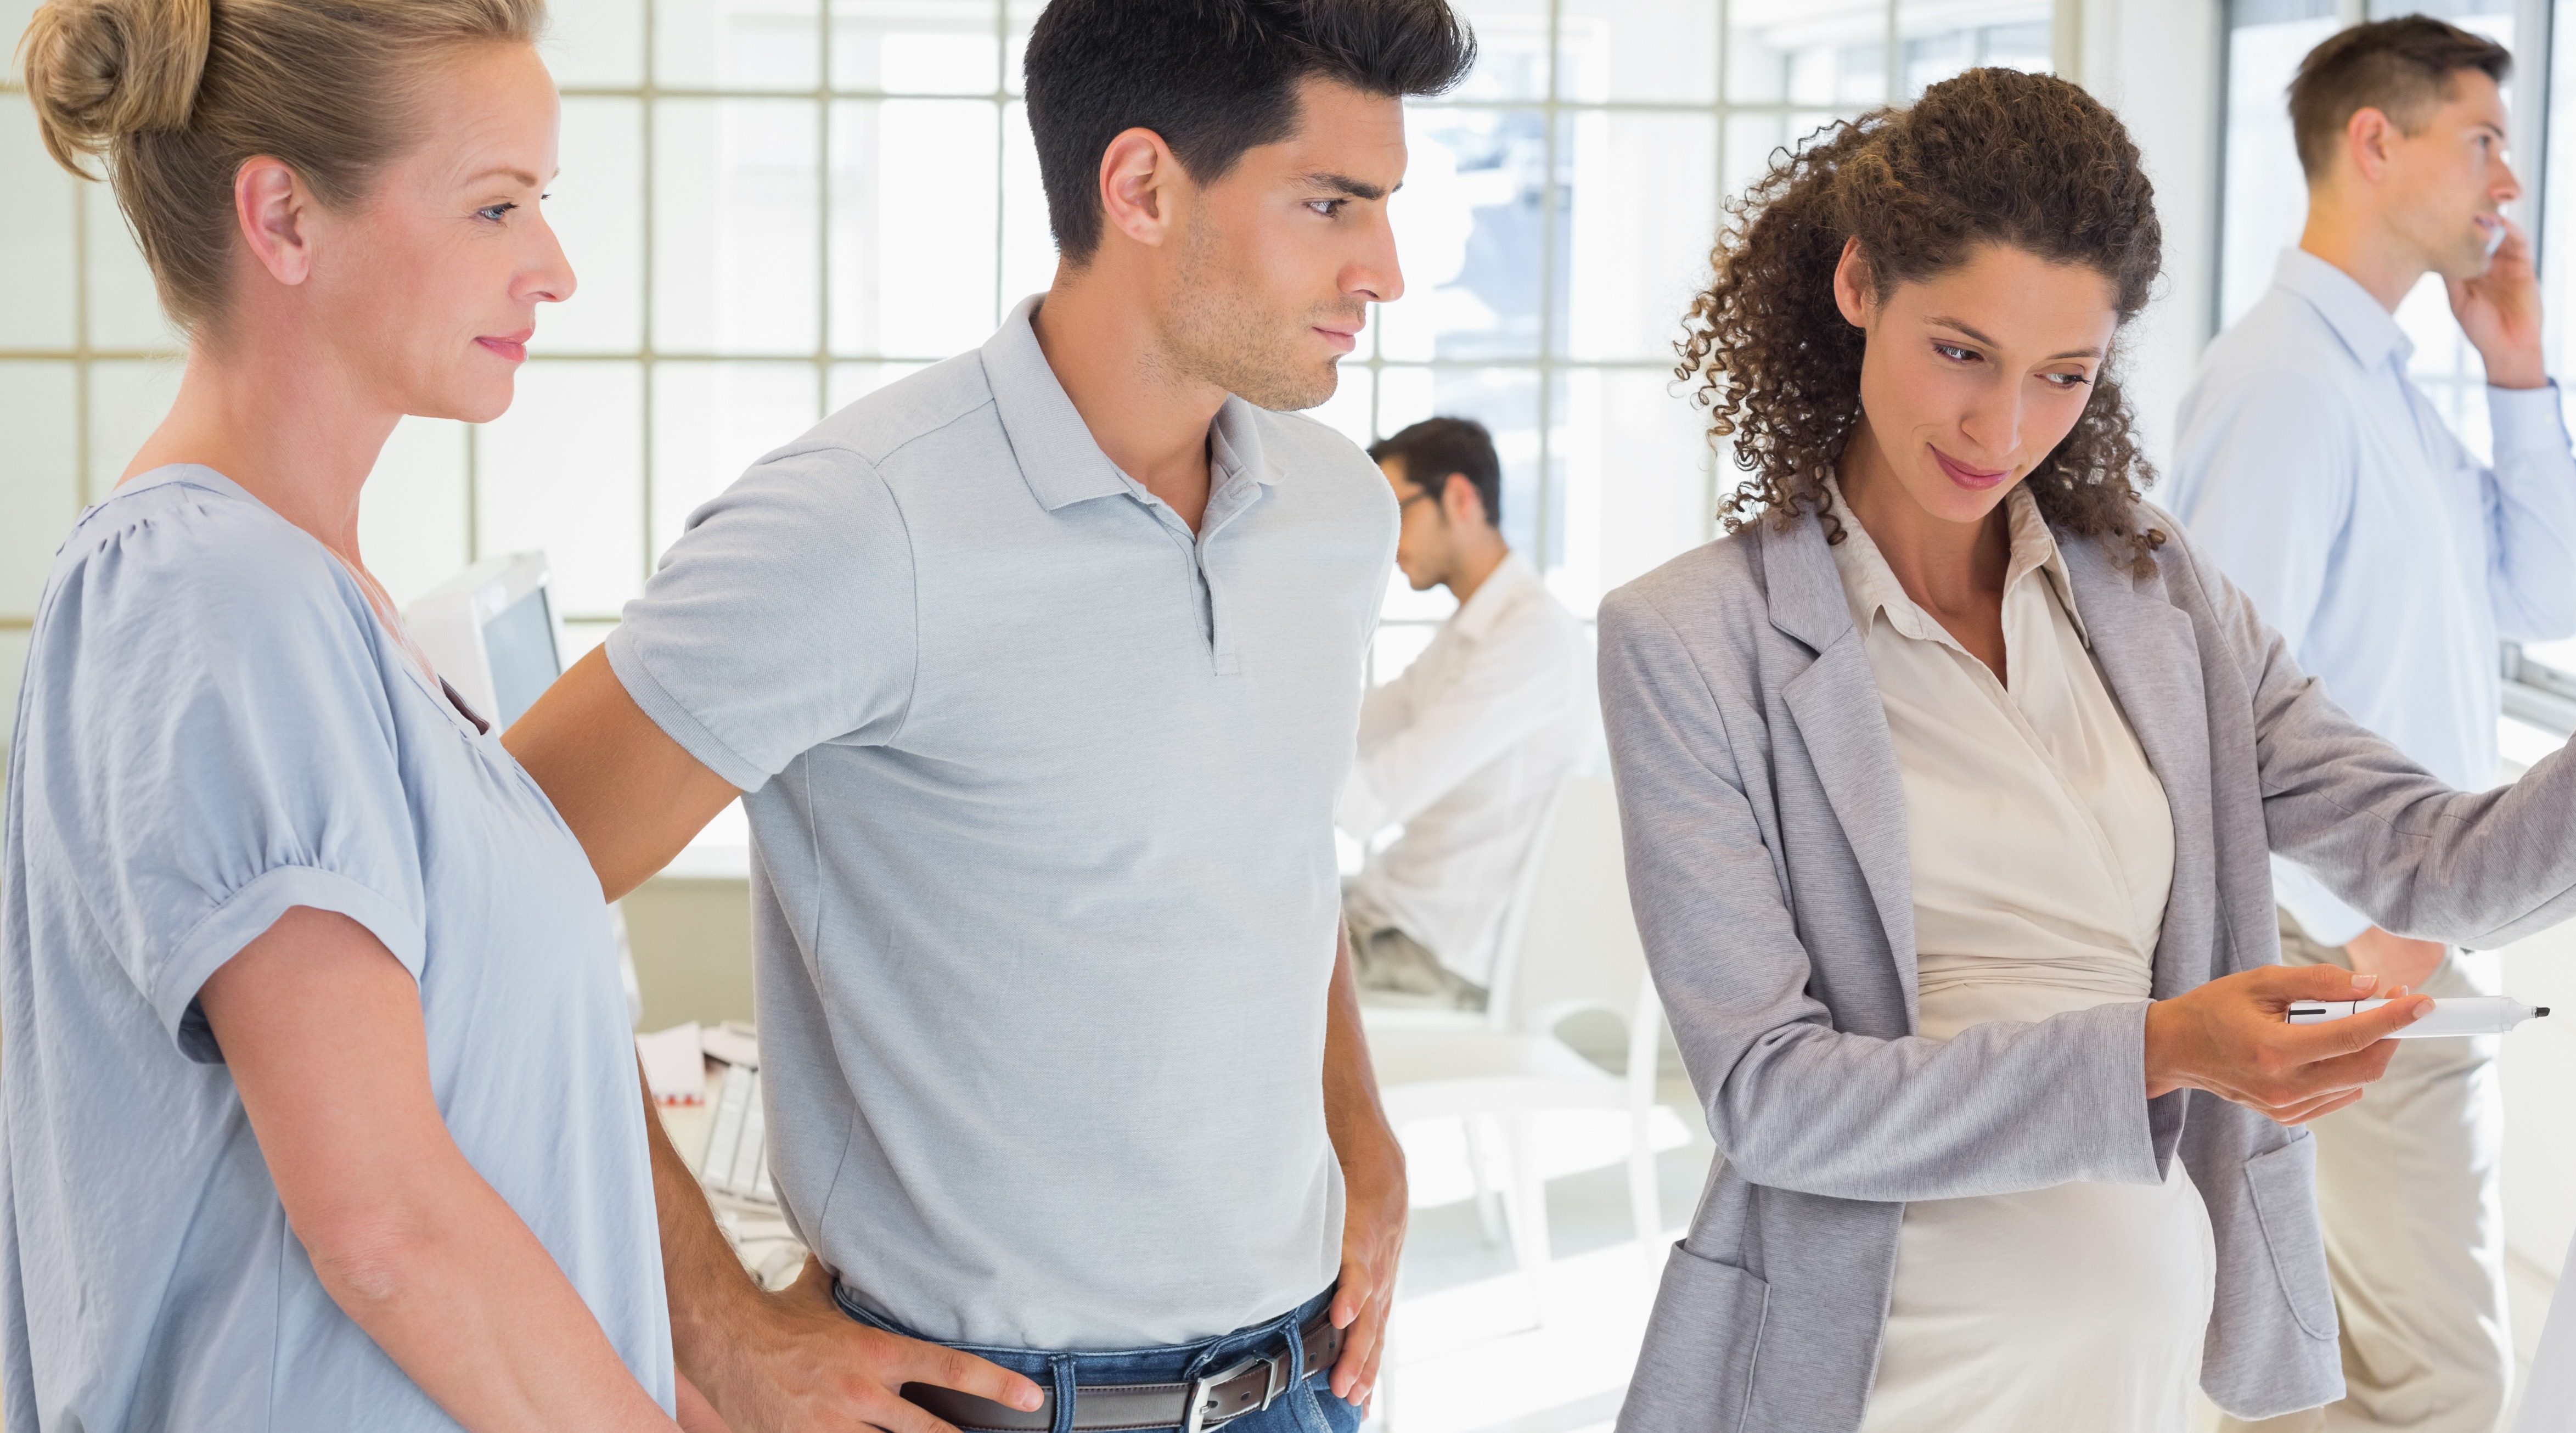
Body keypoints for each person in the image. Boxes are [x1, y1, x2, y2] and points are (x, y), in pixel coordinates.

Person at [1595, 68, 2576, 1432]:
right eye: (1958, 351)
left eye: (2062, 376)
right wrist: (2159, 1050)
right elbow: (1772, 1100)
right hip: (1873, 1374)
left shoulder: (2156, 600)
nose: (2000, 430)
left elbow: (2440, 861)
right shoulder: (1690, 641)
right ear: (1857, 284)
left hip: (2135, 1380)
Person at [496, 2, 1473, 1429]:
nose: (1380, 269)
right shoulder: (858, 525)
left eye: (1385, 206)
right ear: (1139, 187)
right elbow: (489, 888)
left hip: (1302, 1385)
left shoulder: (1333, 514)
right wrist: (716, 1327)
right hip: (980, 1402)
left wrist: (1361, 1127)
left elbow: (1265, 843)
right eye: (1330, 203)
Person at [2, 0, 678, 1427]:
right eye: (496, 208)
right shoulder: (214, 596)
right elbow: (385, 1225)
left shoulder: (316, 600)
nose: (552, 269)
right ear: (285, 220)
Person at [2164, 19, 2576, 1430]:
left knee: (2325, 1368)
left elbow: (2548, 589)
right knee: (2438, 1389)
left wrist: (2514, 369)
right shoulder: (2283, 382)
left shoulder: (2378, 383)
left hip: (2392, 926)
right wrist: (2353, 936)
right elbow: (2208, 704)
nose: (2504, 183)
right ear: (2372, 141)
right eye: (2481, 140)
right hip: (2347, 935)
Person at [1341, 416, 1591, 1011]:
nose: (1386, 538)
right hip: (1388, 917)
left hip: (1427, 950)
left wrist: (1268, 757)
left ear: (1458, 498)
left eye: (1396, 510)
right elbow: (1355, 729)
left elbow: (1374, 802)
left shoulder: (1531, 639)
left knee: (1224, 952)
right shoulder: (1472, 631)